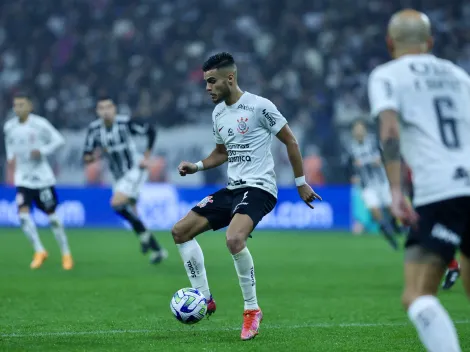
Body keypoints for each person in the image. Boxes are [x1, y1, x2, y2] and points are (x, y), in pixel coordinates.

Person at [172, 52, 321, 340]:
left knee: (234, 238)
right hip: (233, 189)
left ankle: (252, 310)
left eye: (212, 81)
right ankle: (204, 297)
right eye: (205, 82)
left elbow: (290, 140)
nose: (207, 88)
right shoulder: (218, 114)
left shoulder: (259, 107)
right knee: (180, 231)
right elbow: (221, 153)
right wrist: (198, 166)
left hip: (260, 188)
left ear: (230, 78)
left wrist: (301, 183)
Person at [368, 9, 470, 352]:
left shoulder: (386, 76)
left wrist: (395, 190)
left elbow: (390, 130)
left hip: (440, 191)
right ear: (430, 42)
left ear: (389, 43)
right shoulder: (458, 75)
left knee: (417, 295)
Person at [83, 95, 167, 264]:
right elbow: (86, 156)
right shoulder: (94, 130)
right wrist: (94, 157)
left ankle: (144, 236)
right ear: (97, 111)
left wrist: (146, 155)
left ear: (114, 109)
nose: (105, 111)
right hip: (117, 177)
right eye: (101, 108)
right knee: (132, 212)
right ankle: (156, 249)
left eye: (109, 107)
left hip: (135, 169)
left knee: (116, 203)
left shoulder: (124, 123)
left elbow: (150, 130)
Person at [3, 92, 73, 270]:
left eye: (21, 105)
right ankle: (39, 250)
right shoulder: (9, 126)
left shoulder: (40, 124)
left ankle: (66, 253)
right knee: (24, 216)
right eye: (16, 105)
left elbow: (59, 140)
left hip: (42, 178)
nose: (18, 108)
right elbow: (9, 145)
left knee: (53, 218)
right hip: (23, 178)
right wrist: (11, 158)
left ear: (30, 107)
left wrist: (42, 151)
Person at [348, 119, 401, 249]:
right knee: (374, 210)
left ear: (365, 130)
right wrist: (353, 175)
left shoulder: (374, 142)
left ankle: (395, 226)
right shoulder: (351, 147)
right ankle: (388, 233)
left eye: (360, 128)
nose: (359, 131)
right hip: (367, 185)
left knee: (391, 208)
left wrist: (381, 160)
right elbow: (349, 165)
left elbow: (385, 155)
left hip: (382, 182)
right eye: (356, 129)